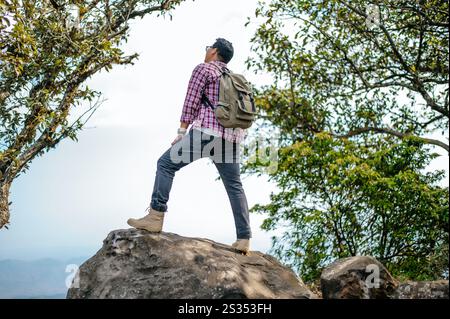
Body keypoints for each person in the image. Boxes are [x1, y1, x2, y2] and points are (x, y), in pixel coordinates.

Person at [127, 38, 251, 254]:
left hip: (206, 133)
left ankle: (155, 217)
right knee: (234, 186)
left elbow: (191, 101)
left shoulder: (204, 69)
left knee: (165, 164)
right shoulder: (234, 78)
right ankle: (244, 239)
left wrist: (181, 131)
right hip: (231, 138)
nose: (206, 51)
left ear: (214, 51)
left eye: (208, 48)